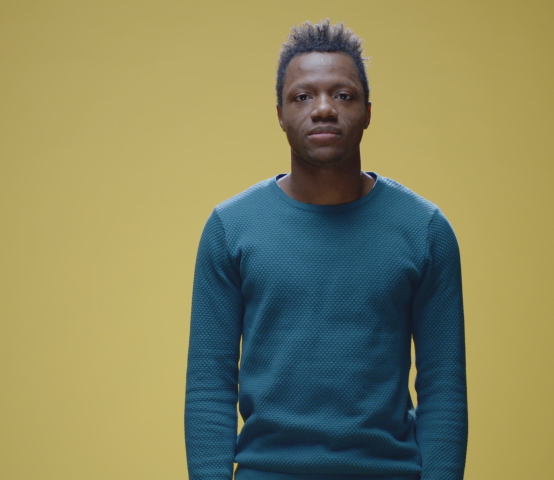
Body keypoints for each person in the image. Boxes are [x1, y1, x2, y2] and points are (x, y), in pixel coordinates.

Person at [184, 19, 467, 480]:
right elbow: (209, 384)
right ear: (278, 112)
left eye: (343, 95)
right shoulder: (230, 229)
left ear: (368, 111)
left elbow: (444, 387)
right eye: (303, 96)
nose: (323, 109)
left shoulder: (425, 231)